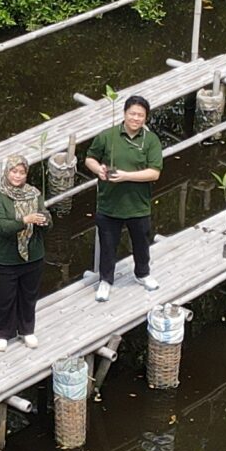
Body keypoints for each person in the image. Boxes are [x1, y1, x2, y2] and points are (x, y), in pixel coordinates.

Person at [82, 95, 164, 301]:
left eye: (140, 115)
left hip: (138, 205)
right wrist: (99, 169)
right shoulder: (107, 136)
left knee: (141, 243)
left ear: (146, 118)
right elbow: (89, 158)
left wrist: (126, 176)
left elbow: (154, 173)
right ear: (124, 113)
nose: (136, 118)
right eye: (132, 114)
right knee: (108, 245)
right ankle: (105, 280)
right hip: (109, 203)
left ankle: (142, 274)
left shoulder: (151, 140)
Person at [0, 152, 48, 351]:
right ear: (7, 172)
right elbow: (1, 227)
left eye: (21, 172)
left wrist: (44, 220)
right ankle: (3, 333)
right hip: (5, 258)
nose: (17, 176)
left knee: (28, 296)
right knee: (4, 298)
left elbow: (45, 215)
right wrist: (25, 220)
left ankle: (27, 330)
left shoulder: (35, 194)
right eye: (14, 171)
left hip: (33, 256)